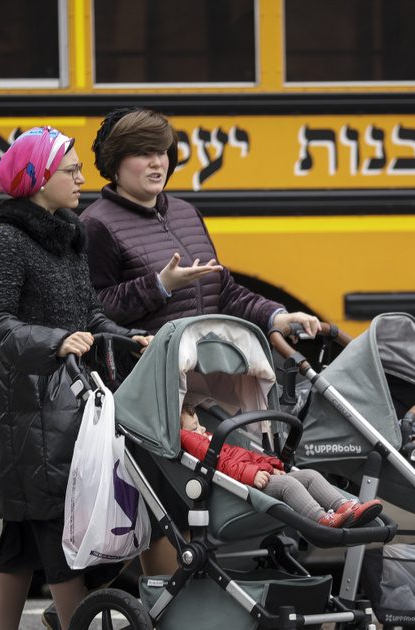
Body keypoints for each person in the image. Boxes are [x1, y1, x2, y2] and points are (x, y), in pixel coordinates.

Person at [79, 106, 323, 574]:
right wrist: (160, 285)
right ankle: (164, 607)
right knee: (164, 507)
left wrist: (278, 314)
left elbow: (224, 291)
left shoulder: (186, 213)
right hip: (146, 397)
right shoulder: (98, 224)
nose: (157, 163)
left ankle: (189, 606)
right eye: (142, 154)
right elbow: (94, 310)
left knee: (207, 502)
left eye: (162, 152)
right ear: (115, 163)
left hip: (203, 389)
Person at [0, 126, 150, 630]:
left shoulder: (68, 235)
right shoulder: (6, 240)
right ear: (37, 178)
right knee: (56, 527)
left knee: (25, 536)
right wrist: (53, 341)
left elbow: (90, 316)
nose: (81, 178)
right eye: (70, 170)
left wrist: (129, 336)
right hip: (22, 405)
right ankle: (79, 622)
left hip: (63, 401)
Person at [180, 400, 383, 528]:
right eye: (195, 426)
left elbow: (243, 455)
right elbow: (223, 465)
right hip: (243, 489)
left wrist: (272, 464)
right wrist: (253, 475)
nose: (203, 427)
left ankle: (345, 507)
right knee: (290, 485)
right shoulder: (195, 443)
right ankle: (322, 520)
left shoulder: (208, 439)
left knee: (310, 475)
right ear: (184, 434)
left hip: (257, 476)